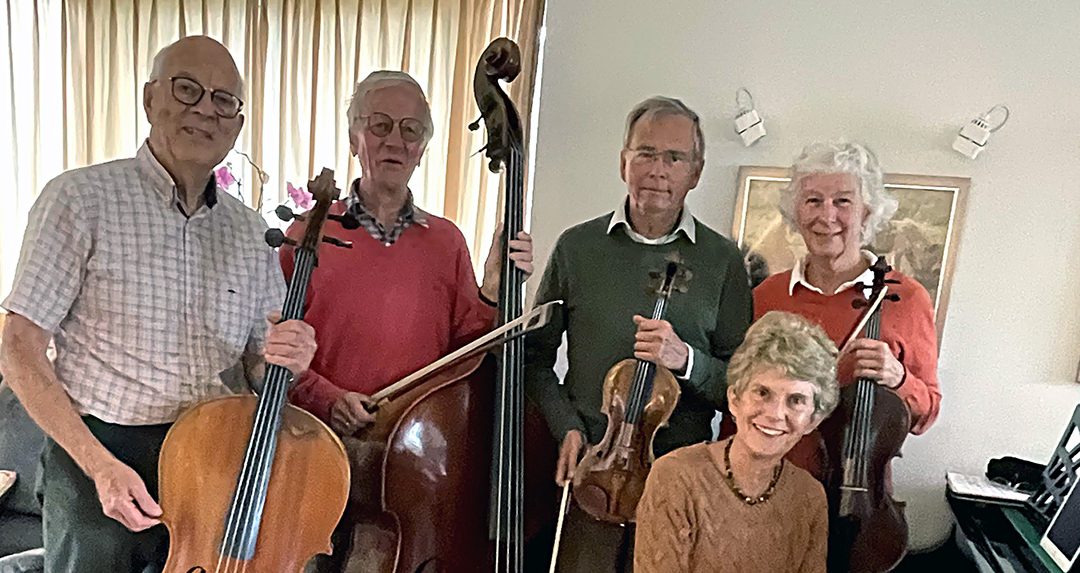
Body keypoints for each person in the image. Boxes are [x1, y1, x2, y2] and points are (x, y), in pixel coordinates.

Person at [0, 36, 317, 573]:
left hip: (218, 459)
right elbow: (18, 346)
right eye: (187, 90)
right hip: (101, 451)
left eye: (223, 101)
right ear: (150, 100)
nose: (204, 110)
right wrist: (99, 466)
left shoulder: (251, 231)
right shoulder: (78, 199)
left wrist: (288, 359)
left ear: (237, 125)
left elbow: (260, 370)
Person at [280, 70, 533, 573]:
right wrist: (329, 399)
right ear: (355, 138)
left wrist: (492, 289)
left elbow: (469, 348)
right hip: (321, 449)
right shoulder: (305, 234)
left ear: (422, 148)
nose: (395, 140)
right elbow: (275, 350)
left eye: (411, 130)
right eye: (379, 125)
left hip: (416, 460)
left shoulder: (447, 241)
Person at [524, 96, 753, 572]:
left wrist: (685, 359)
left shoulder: (724, 262)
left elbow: (741, 384)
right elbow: (535, 357)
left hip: (680, 479)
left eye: (675, 157)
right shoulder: (576, 247)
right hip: (590, 467)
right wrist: (563, 424)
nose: (658, 169)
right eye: (645, 153)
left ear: (696, 171)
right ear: (623, 160)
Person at [723, 141, 941, 480]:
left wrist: (899, 379)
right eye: (813, 201)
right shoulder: (767, 295)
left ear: (867, 212)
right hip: (762, 483)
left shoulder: (906, 299)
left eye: (842, 201)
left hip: (854, 494)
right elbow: (736, 402)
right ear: (796, 213)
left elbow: (926, 414)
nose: (827, 216)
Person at [635, 311, 839, 573]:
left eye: (796, 400)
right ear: (734, 399)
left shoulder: (809, 497)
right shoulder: (676, 476)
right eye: (762, 393)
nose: (775, 413)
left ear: (813, 419)